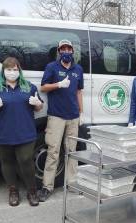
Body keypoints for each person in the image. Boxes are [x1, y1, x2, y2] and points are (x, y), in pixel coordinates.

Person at [0, 57, 43, 207]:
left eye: (15, 70)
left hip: (25, 133)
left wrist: (38, 104)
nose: (12, 72)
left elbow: (39, 107)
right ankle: (13, 191)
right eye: (9, 69)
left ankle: (32, 191)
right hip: (3, 133)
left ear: (19, 71)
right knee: (7, 162)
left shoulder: (29, 87)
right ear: (3, 71)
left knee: (26, 160)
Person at [38, 40, 83, 202]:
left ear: (72, 51)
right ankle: (47, 187)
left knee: (72, 152)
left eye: (68, 48)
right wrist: (58, 84)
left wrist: (81, 112)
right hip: (56, 116)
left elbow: (79, 92)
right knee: (53, 152)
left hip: (73, 116)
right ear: (59, 51)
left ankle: (72, 183)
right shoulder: (52, 67)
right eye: (62, 49)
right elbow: (43, 87)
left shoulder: (78, 69)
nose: (66, 51)